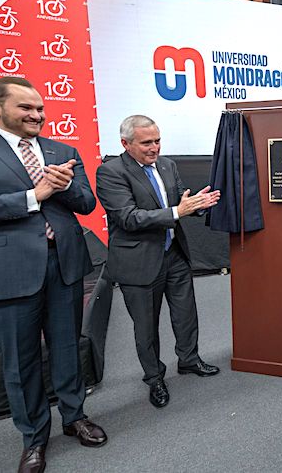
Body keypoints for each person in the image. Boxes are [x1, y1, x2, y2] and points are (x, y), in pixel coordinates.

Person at [0, 77, 107, 473]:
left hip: (63, 265)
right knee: (21, 360)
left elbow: (85, 202)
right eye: (26, 108)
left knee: (67, 348)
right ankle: (34, 438)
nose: (37, 115)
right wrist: (34, 196)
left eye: (40, 108)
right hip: (8, 271)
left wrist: (62, 187)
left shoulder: (63, 150)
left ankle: (75, 416)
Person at [95, 115, 221, 408]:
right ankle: (154, 378)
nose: (155, 148)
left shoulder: (167, 165)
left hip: (173, 253)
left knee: (186, 314)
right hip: (137, 262)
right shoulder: (110, 173)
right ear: (126, 144)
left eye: (157, 140)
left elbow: (178, 201)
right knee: (146, 326)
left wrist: (196, 206)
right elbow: (128, 217)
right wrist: (179, 211)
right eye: (147, 142)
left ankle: (189, 360)